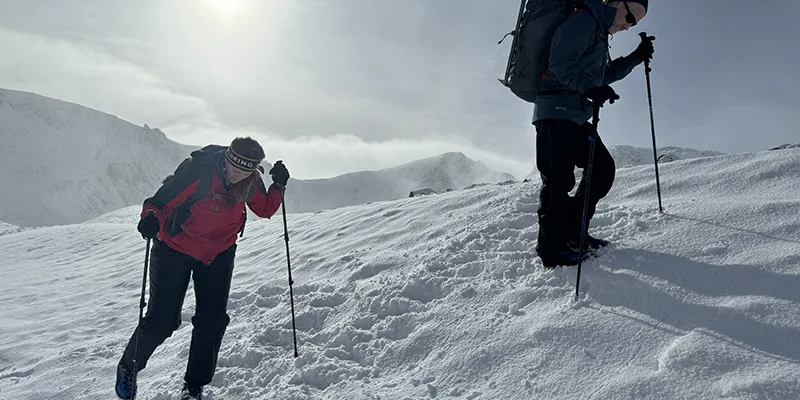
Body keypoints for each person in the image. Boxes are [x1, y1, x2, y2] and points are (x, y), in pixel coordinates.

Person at [114, 137, 290, 400]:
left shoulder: (249, 181)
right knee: (162, 320)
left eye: (244, 171)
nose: (236, 174)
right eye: (234, 167)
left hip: (218, 253)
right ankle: (129, 366)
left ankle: (194, 386)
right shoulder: (198, 172)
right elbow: (158, 203)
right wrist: (150, 218)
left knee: (212, 321)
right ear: (227, 159)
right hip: (174, 249)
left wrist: (278, 185)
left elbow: (264, 209)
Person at [531, 0, 654, 267]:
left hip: (575, 115)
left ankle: (574, 231)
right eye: (630, 16)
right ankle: (552, 250)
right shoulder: (583, 20)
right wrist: (588, 87)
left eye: (635, 23)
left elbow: (602, 74)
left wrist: (635, 57)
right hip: (555, 113)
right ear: (616, 2)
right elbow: (561, 62)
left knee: (601, 169)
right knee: (559, 181)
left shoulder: (598, 32)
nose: (628, 25)